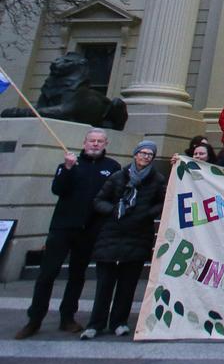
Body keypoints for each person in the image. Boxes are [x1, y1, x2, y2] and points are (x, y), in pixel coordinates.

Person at [16, 129, 121, 340]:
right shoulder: (69, 164)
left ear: (106, 143)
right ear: (84, 142)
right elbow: (58, 190)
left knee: (77, 275)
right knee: (47, 274)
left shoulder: (112, 167)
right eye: (92, 141)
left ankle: (67, 317)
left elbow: (115, 195)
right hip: (63, 227)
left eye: (100, 141)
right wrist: (67, 168)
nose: (95, 144)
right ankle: (35, 319)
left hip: (90, 229)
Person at [80, 139, 166, 339]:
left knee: (127, 285)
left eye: (149, 154)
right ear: (135, 154)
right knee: (104, 285)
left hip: (137, 235)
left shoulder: (157, 179)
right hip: (112, 235)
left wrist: (145, 213)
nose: (145, 157)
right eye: (142, 153)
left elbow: (163, 202)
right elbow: (99, 200)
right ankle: (96, 323)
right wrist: (113, 211)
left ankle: (119, 322)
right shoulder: (118, 176)